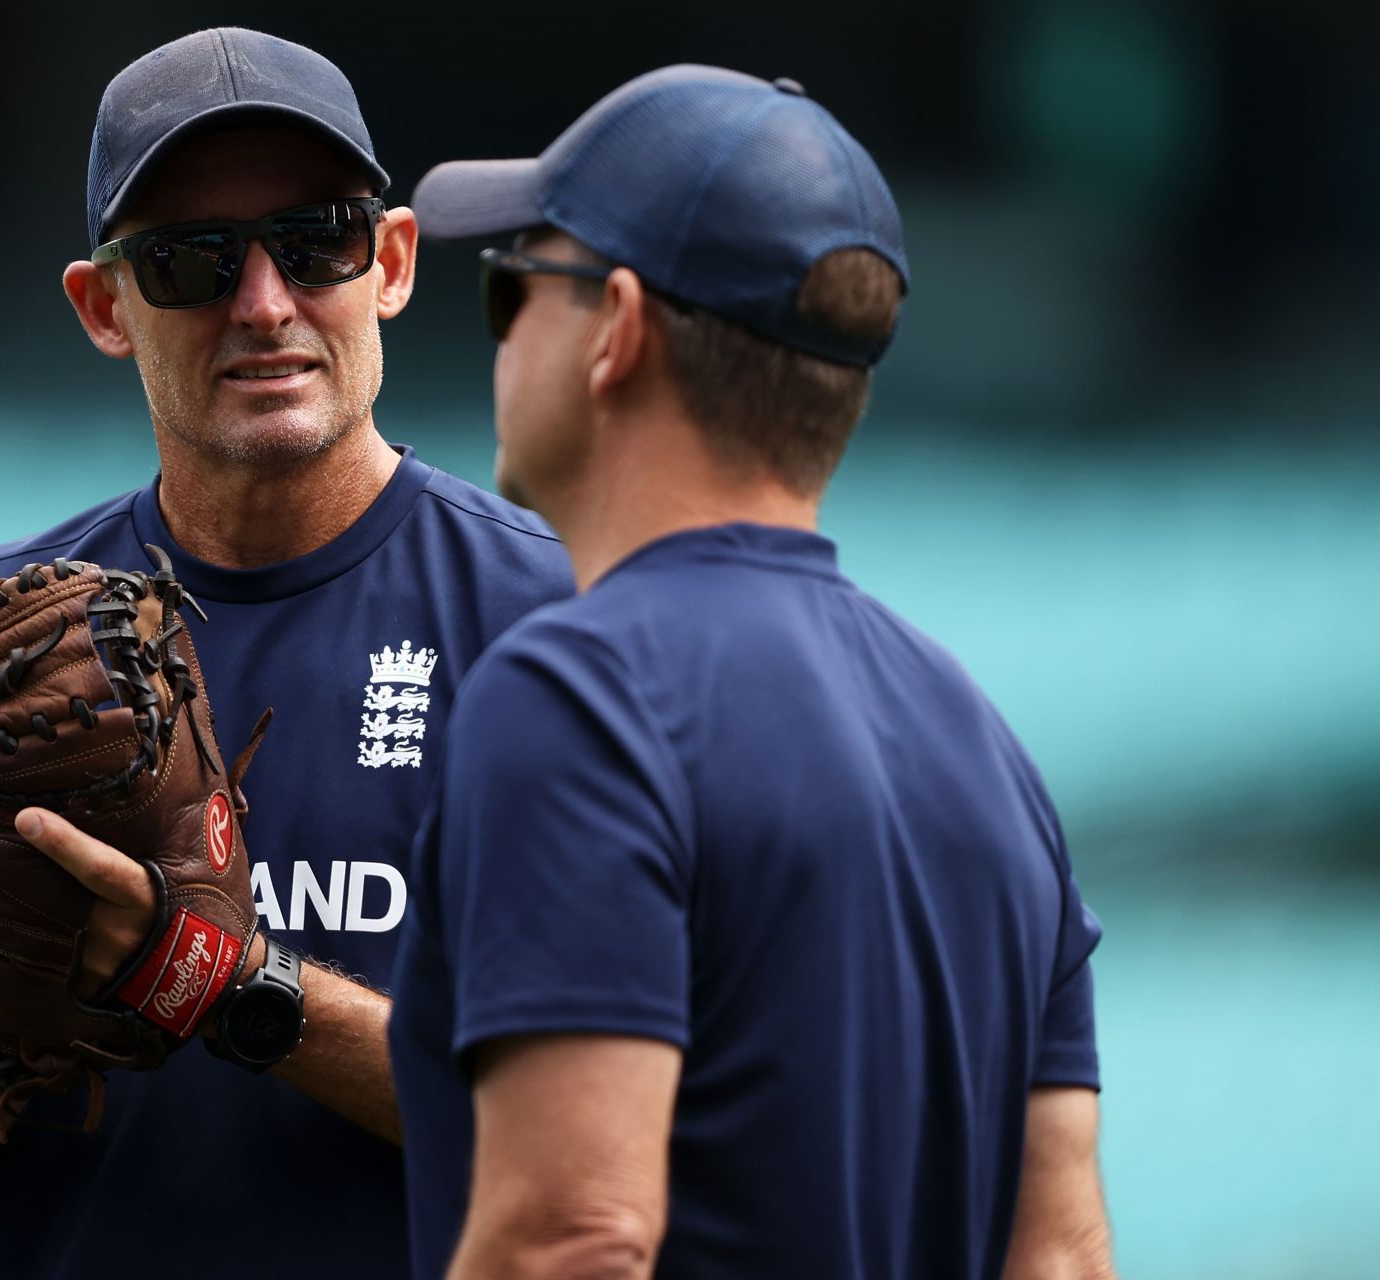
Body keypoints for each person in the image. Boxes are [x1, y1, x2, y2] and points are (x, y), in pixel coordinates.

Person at [0, 28, 572, 1278]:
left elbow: (590, 1146)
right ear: (104, 307)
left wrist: (216, 978)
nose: (263, 302)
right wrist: (33, 982)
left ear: (393, 264)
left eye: (315, 243)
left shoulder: (548, 621)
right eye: (190, 261)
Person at [388, 65, 1112, 1279]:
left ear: (615, 329)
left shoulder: (578, 698)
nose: (502, 326)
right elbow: (1066, 1258)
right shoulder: (985, 748)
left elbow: (571, 1238)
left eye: (514, 283)